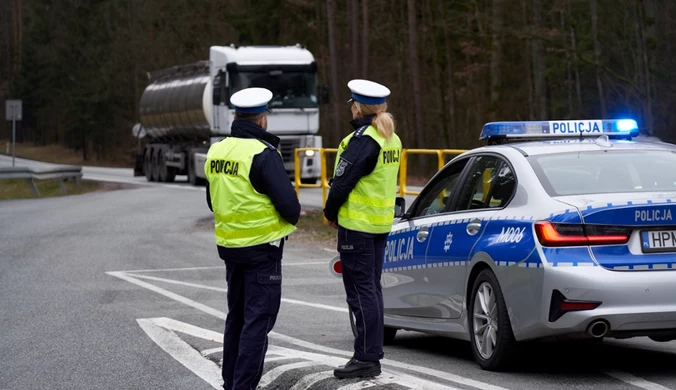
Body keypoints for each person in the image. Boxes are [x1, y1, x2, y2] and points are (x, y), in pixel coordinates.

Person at [204, 87, 301, 390]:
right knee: (257, 322)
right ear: (262, 120)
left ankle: (230, 381)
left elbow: (212, 200)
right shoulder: (263, 154)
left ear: (235, 116)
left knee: (237, 317)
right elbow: (291, 208)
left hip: (231, 248)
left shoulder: (217, 151)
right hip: (263, 250)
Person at [323, 79, 402, 379]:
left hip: (356, 226)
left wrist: (330, 213)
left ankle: (367, 357)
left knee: (360, 292)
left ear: (358, 107)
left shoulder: (363, 139)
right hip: (380, 225)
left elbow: (342, 182)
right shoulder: (391, 138)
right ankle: (371, 353)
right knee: (372, 289)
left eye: (353, 104)